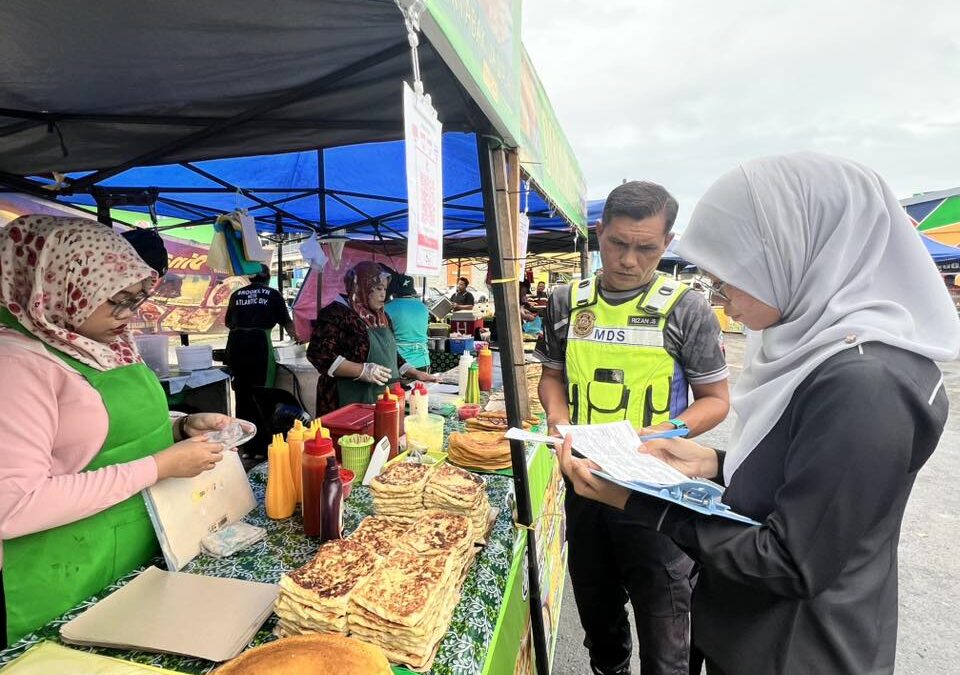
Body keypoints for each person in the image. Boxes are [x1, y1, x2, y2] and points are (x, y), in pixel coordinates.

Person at [557, 153, 960, 675]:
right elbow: (815, 480)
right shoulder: (831, 352)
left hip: (794, 652)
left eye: (730, 278)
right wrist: (713, 464)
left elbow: (790, 560)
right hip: (761, 640)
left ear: (794, 254)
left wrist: (641, 503)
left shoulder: (866, 381)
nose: (723, 300)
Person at [0, 215, 240, 646]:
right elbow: (14, 505)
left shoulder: (101, 343)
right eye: (117, 301)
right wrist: (157, 467)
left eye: (135, 300)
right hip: (65, 572)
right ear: (56, 286)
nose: (129, 315)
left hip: (140, 544)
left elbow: (97, 433)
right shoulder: (15, 366)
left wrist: (181, 425)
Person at [534, 181, 730, 675]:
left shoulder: (688, 308)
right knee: (598, 615)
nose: (628, 259)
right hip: (585, 482)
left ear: (667, 244)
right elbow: (551, 378)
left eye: (646, 248)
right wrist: (559, 423)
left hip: (655, 492)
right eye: (617, 243)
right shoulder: (566, 301)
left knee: (667, 634)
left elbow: (716, 401)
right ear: (598, 233)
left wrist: (666, 435)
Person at [307, 261, 436, 417]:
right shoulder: (336, 313)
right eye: (378, 288)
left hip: (381, 397)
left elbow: (390, 353)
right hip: (344, 399)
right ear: (360, 287)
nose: (384, 294)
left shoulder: (382, 315)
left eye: (385, 289)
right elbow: (319, 354)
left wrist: (415, 373)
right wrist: (362, 370)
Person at [224, 264, 298, 454]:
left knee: (241, 395)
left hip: (236, 346)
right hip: (259, 347)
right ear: (268, 277)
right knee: (262, 394)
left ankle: (246, 445)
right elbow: (289, 325)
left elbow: (228, 323)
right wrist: (299, 338)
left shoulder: (236, 295)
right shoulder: (272, 294)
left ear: (250, 278)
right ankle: (262, 446)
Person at [384, 274, 431, 372]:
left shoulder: (387, 307)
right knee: (421, 388)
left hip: (400, 364)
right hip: (423, 360)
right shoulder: (423, 307)